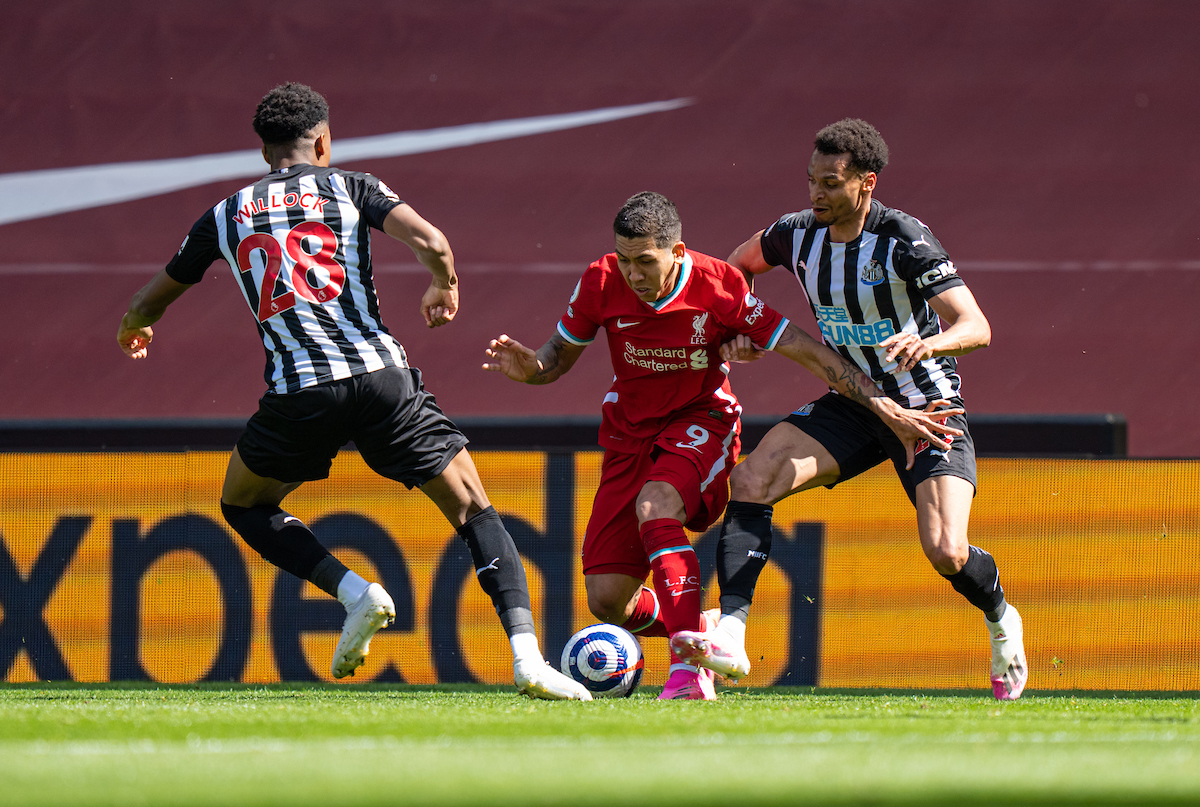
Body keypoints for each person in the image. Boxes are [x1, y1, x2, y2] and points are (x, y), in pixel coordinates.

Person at [116, 82, 590, 700]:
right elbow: (434, 242)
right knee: (474, 508)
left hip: (299, 392)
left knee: (244, 503)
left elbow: (147, 299)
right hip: (381, 381)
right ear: (322, 141)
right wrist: (443, 284)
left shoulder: (225, 215)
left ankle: (354, 593)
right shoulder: (352, 186)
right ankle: (528, 660)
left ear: (265, 154)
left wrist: (135, 327)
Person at [482, 191, 955, 699]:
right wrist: (529, 368)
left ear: (677, 251)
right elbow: (554, 360)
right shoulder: (602, 279)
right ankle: (701, 630)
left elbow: (805, 349)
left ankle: (687, 674)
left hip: (702, 418)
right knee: (607, 602)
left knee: (655, 505)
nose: (634, 274)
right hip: (628, 432)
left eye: (645, 261)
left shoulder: (718, 285)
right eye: (625, 260)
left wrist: (883, 406)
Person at [684, 118, 1028, 700]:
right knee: (752, 477)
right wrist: (732, 331)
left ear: (866, 184)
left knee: (946, 551)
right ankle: (734, 634)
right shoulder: (794, 234)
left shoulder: (904, 238)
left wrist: (930, 342)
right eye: (811, 181)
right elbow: (729, 272)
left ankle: (1001, 619)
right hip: (853, 402)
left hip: (926, 407)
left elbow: (977, 326)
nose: (816, 194)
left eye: (830, 184)